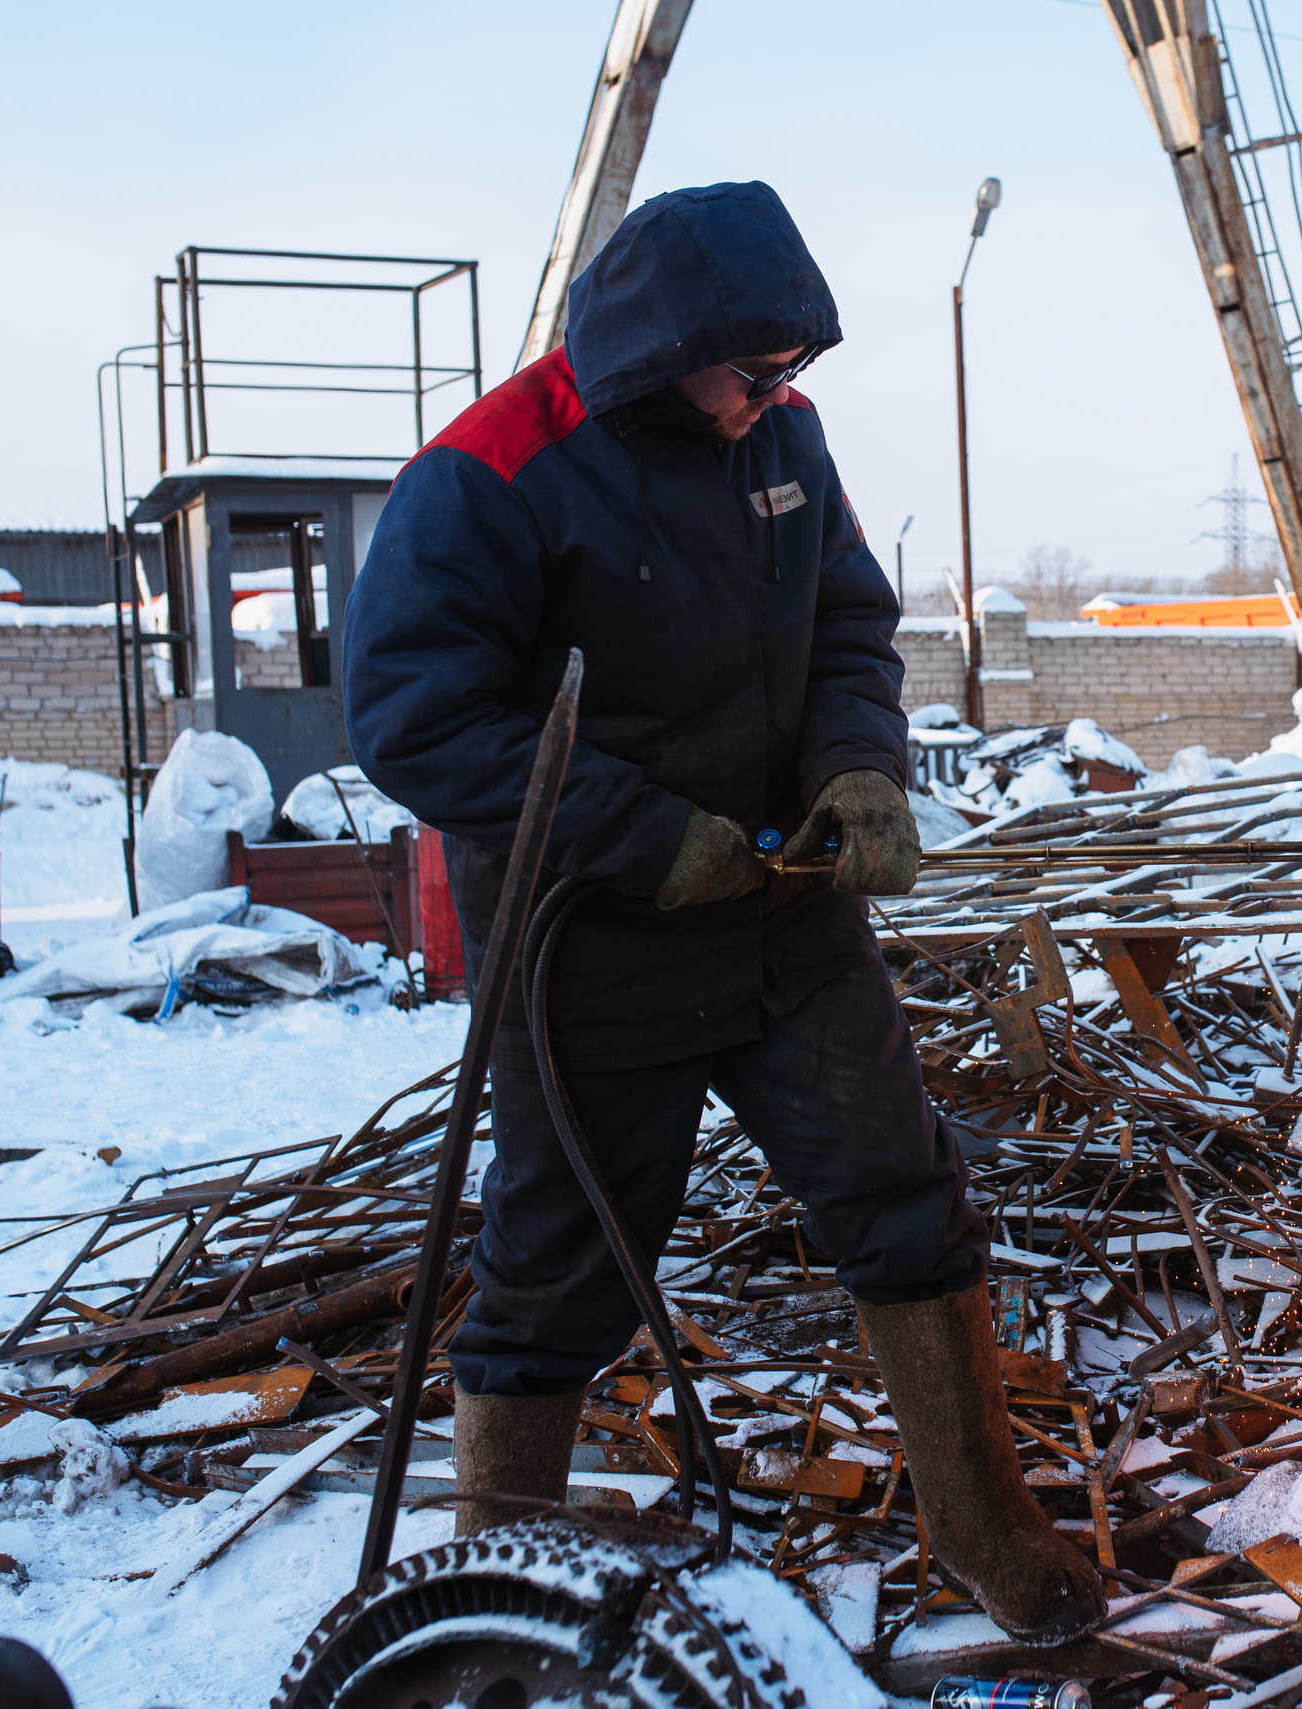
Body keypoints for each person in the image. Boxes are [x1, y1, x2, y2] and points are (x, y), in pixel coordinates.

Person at [341, 181, 1102, 1644]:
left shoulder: (789, 448)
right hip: (588, 942)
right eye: (753, 373)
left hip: (781, 915)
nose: (777, 399)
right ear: (656, 346)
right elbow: (414, 717)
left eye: (794, 371)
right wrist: (638, 834)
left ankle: (980, 1517)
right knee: (555, 1261)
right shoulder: (489, 475)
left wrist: (859, 771)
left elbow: (849, 629)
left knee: (903, 1190)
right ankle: (496, 1575)